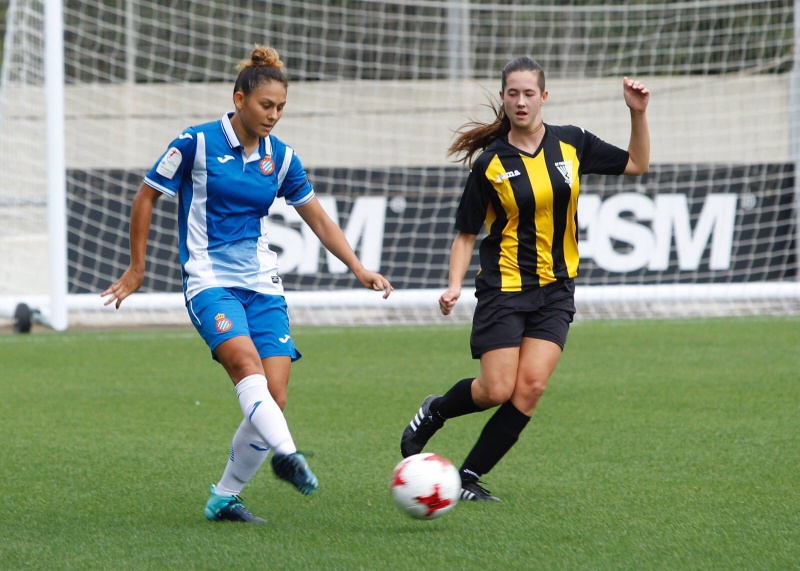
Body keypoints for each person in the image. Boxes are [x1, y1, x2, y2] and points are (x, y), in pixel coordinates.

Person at [103, 44, 393, 523]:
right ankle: (289, 455)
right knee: (245, 364)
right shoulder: (195, 142)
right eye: (266, 105)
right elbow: (146, 197)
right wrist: (137, 269)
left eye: (281, 107)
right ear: (240, 100)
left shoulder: (282, 158)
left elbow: (319, 219)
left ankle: (224, 498)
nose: (273, 115)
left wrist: (358, 268)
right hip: (209, 281)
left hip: (262, 284)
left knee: (274, 396)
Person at [400, 57, 650, 501]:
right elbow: (466, 234)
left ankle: (468, 478)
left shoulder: (572, 143)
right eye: (512, 93)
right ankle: (435, 410)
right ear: (503, 98)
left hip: (557, 289)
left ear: (544, 97)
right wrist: (454, 285)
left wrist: (637, 113)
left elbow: (636, 163)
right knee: (495, 390)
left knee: (530, 388)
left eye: (529, 93)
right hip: (505, 290)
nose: (520, 101)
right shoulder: (490, 164)